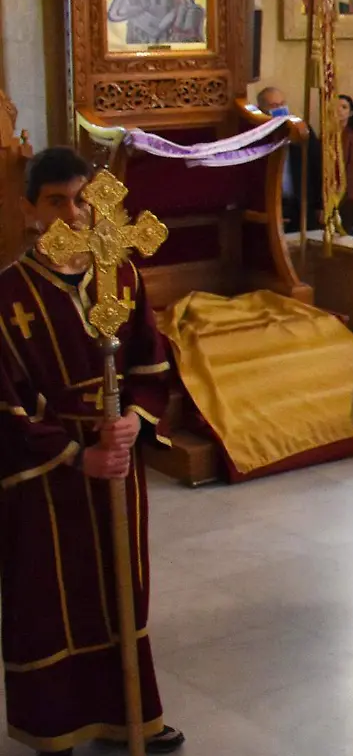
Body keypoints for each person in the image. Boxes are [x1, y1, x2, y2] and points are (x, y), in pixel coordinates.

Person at [0, 148, 186, 753]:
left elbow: (152, 363)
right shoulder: (7, 294)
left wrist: (133, 419)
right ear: (30, 208)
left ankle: (128, 714)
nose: (74, 213)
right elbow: (5, 407)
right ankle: (54, 725)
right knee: (48, 595)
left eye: (81, 199)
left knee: (120, 586)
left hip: (117, 458)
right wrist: (79, 456)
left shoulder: (122, 275)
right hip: (42, 474)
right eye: (57, 201)